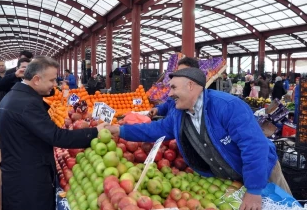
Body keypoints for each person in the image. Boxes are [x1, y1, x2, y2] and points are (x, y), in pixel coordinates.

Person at [106, 68, 291, 210]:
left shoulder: (228, 107)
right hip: (234, 178)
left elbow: (254, 146)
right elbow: (155, 129)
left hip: (263, 171)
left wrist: (254, 189)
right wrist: (119, 130)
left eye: (173, 88)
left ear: (191, 86)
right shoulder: (180, 114)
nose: (169, 94)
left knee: (285, 204)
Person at [0, 56, 107, 210]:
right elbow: (56, 136)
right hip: (28, 179)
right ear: (36, 79)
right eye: (52, 80)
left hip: (17, 171)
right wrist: (95, 132)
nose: (55, 85)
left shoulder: (13, 96)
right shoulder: (27, 104)